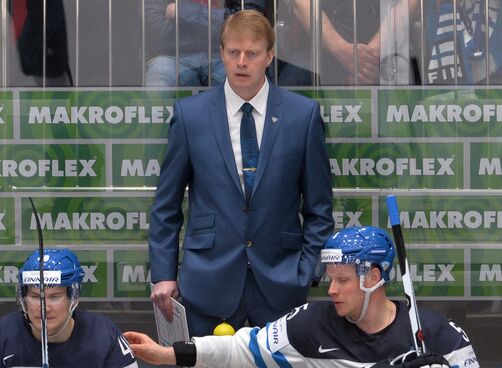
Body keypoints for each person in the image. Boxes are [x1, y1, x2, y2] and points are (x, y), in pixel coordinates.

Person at [149, 9, 334, 337]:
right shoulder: (190, 116)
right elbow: (166, 205)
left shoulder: (302, 116)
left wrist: (307, 270)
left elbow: (319, 207)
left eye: (252, 53)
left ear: (270, 56)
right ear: (221, 54)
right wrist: (164, 274)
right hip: (207, 284)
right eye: (233, 52)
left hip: (281, 283)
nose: (242, 61)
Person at [125, 226, 479, 367]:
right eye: (330, 279)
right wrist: (167, 354)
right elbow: (239, 350)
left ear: (373, 277)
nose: (332, 290)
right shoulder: (311, 323)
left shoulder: (439, 335)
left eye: (342, 280)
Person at [0, 248, 138, 368]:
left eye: (55, 297)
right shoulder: (1, 336)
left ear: (74, 297)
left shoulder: (103, 334)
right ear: (23, 298)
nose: (44, 307)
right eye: (35, 297)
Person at [144, 0, 266, 86]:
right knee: (159, 75)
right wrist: (215, 25)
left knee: (242, 80)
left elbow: (248, 23)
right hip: (174, 56)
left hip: (227, 54)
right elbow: (154, 26)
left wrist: (182, 11)